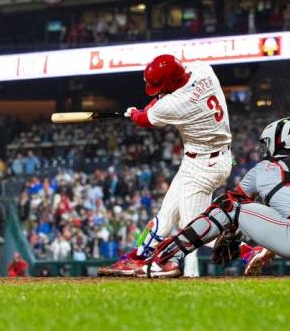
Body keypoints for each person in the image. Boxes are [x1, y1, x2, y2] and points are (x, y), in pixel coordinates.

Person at [136, 117, 290, 278]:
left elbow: (231, 206)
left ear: (274, 142)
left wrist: (228, 234)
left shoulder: (262, 169)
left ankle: (168, 256)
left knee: (228, 204)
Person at [98, 54, 232, 277]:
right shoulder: (202, 69)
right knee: (166, 215)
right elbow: (162, 99)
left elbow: (145, 119)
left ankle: (248, 251)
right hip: (208, 158)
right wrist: (143, 110)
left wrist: (134, 113)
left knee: (193, 227)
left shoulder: (175, 103)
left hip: (204, 165)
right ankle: (140, 255)